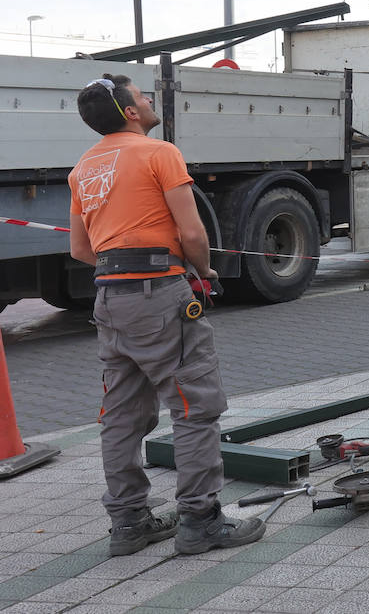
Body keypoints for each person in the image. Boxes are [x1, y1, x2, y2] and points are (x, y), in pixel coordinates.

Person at [68, 74, 264, 557]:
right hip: (159, 294)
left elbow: (79, 248)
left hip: (109, 298)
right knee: (195, 407)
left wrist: (124, 269)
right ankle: (200, 521)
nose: (150, 99)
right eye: (142, 95)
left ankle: (129, 524)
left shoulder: (83, 168)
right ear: (131, 112)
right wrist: (203, 272)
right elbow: (193, 232)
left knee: (121, 417)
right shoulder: (159, 153)